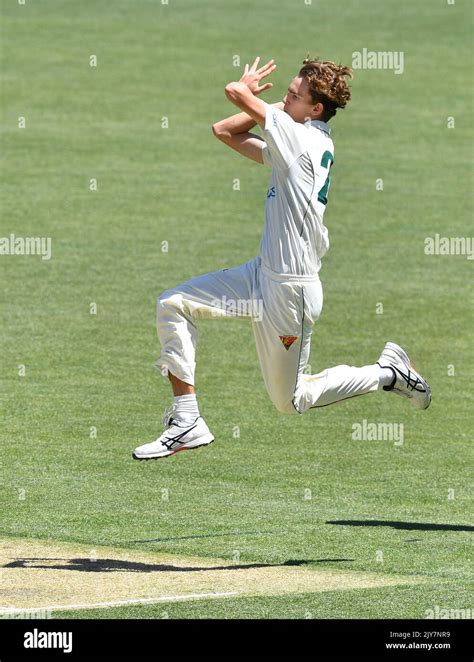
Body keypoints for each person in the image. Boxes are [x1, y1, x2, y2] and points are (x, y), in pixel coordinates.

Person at [133, 56, 431, 461]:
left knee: (291, 401)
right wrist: (276, 110)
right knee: (172, 304)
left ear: (316, 110)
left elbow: (234, 94)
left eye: (294, 95)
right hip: (261, 277)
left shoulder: (301, 142)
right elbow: (224, 131)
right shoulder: (298, 139)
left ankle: (388, 373)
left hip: (290, 294)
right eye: (287, 92)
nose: (285, 98)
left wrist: (251, 93)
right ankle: (187, 422)